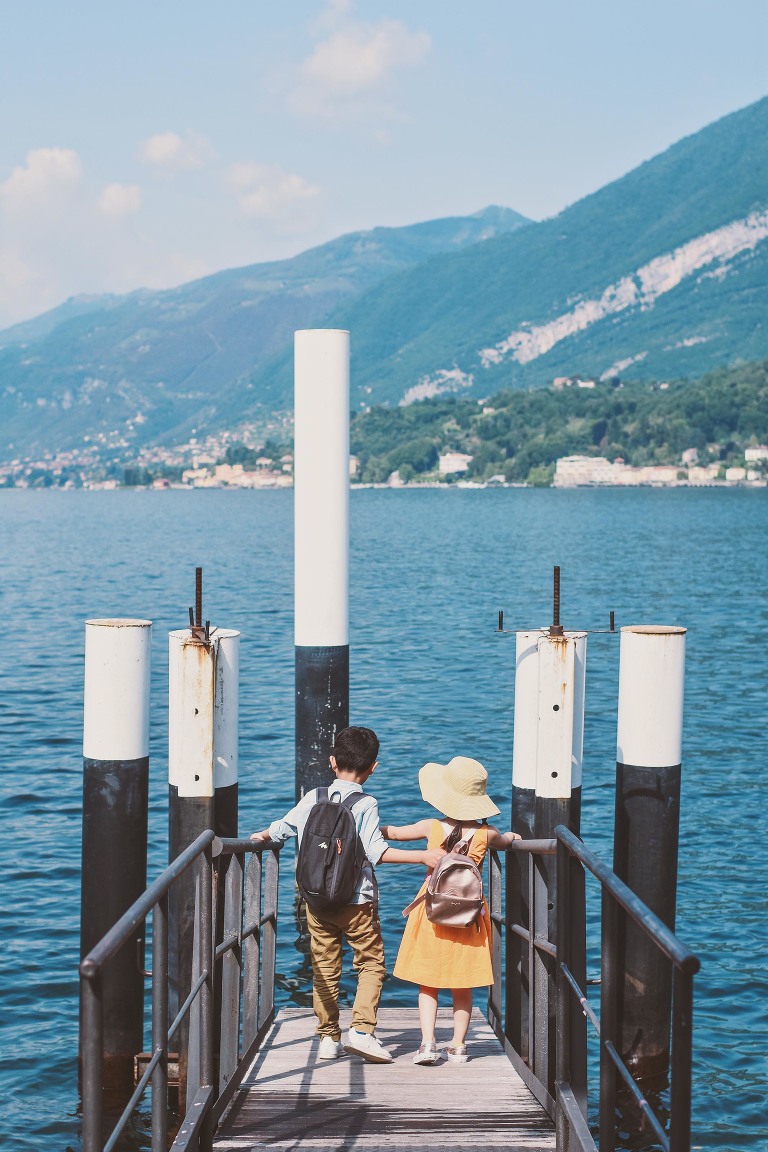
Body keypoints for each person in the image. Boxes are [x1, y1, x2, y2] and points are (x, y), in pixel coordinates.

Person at [250, 726, 445, 1064]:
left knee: (324, 966)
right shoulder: (366, 803)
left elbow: (283, 827)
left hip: (316, 899)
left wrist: (261, 836)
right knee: (371, 963)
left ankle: (328, 1037)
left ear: (331, 761)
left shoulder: (315, 796)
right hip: (357, 901)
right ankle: (362, 1030)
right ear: (374, 767)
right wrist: (424, 856)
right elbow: (377, 853)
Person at [382, 755, 521, 1066]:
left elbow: (391, 833)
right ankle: (458, 1046)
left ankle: (428, 1043)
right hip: (469, 916)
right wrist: (513, 838)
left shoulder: (430, 826)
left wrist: (365, 825)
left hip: (431, 911)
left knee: (427, 981)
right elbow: (506, 842)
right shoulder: (487, 834)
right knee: (463, 983)